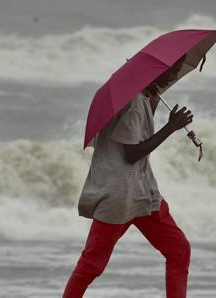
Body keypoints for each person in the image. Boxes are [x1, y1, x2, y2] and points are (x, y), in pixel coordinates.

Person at [62, 55, 193, 298]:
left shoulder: (142, 98)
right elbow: (132, 153)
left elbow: (139, 135)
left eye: (176, 69)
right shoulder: (132, 103)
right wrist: (171, 127)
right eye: (172, 69)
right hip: (119, 196)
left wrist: (153, 103)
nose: (175, 75)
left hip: (143, 194)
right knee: (92, 264)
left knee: (178, 248)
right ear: (156, 71)